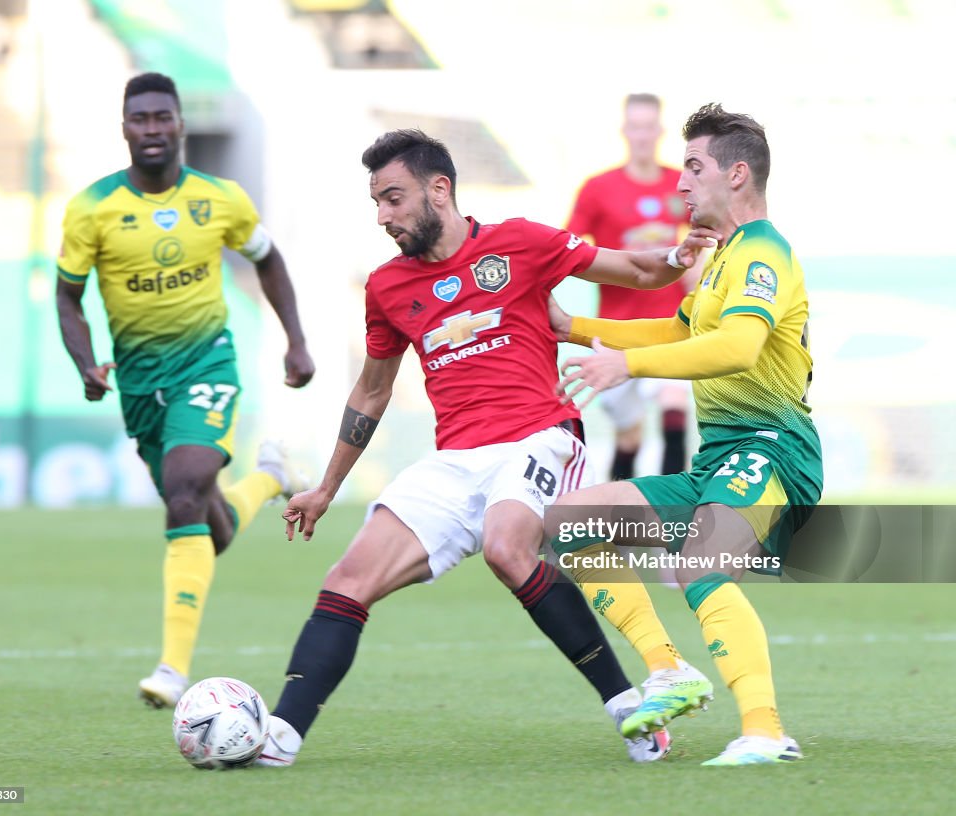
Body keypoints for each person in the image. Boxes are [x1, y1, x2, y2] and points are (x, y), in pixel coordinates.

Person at [254, 129, 716, 769]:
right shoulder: (387, 287)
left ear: (438, 189)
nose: (382, 217)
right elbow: (371, 390)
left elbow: (635, 269)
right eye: (377, 203)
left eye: (393, 198)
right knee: (347, 580)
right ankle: (280, 736)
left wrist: (680, 255)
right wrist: (327, 487)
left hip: (539, 435)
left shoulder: (520, 242)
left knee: (507, 546)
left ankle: (629, 708)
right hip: (454, 461)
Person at [550, 103, 821, 765]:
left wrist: (626, 364)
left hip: (772, 449)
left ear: (735, 175)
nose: (680, 183)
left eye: (693, 168)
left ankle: (764, 732)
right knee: (571, 521)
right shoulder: (724, 258)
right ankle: (668, 668)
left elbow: (736, 346)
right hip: (720, 458)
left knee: (701, 560)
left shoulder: (765, 255)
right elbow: (679, 333)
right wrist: (576, 329)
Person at [56, 72, 315, 708]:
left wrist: (297, 341)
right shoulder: (91, 208)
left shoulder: (220, 199)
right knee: (209, 525)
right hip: (140, 385)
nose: (151, 128)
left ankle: (172, 671)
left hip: (207, 366)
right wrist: (87, 362)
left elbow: (269, 258)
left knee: (185, 490)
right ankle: (268, 479)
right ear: (125, 128)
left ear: (180, 124)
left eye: (161, 117)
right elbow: (68, 296)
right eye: (139, 118)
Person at [566, 93, 700, 482]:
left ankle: (674, 510)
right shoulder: (598, 188)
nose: (642, 135)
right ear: (625, 131)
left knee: (675, 404)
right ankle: (620, 519)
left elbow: (708, 234)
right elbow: (568, 248)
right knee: (629, 435)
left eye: (649, 126)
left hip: (670, 325)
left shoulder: (682, 184)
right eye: (635, 126)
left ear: (660, 131)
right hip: (617, 327)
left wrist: (698, 268)